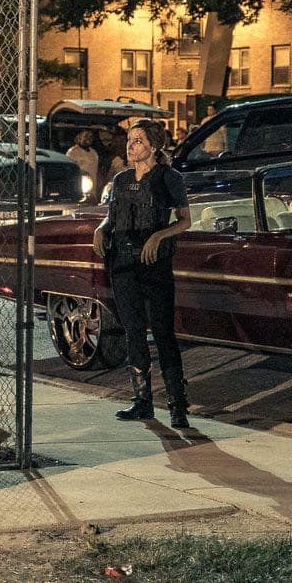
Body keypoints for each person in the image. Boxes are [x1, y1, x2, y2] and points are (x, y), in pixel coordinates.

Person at [92, 119, 192, 428]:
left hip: (154, 264)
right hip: (123, 263)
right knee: (133, 331)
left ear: (153, 145)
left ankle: (177, 404)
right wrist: (101, 228)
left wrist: (159, 236)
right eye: (130, 140)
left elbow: (185, 220)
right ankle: (142, 401)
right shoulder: (121, 179)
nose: (131, 146)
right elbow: (112, 217)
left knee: (162, 332)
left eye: (138, 141)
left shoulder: (169, 178)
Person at [66, 129, 100, 195]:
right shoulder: (72, 152)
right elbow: (69, 169)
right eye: (86, 136)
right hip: (79, 188)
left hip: (92, 189)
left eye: (91, 136)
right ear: (79, 137)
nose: (88, 139)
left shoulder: (94, 153)